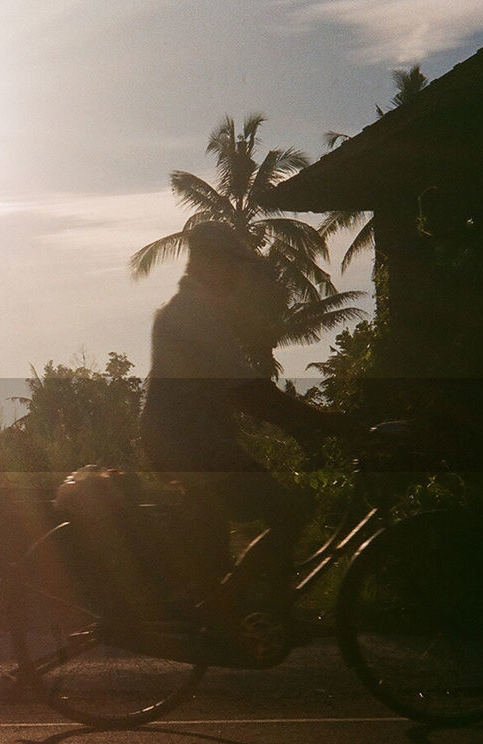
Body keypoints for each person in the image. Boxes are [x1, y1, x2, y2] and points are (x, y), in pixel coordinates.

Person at [139, 221, 353, 657]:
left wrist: (303, 425)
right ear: (210, 264)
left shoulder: (191, 309)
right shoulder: (194, 313)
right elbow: (246, 391)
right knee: (289, 509)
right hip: (193, 447)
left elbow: (243, 392)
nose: (238, 275)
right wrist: (320, 423)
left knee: (215, 541)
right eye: (233, 264)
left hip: (189, 442)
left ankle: (222, 611)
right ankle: (259, 609)